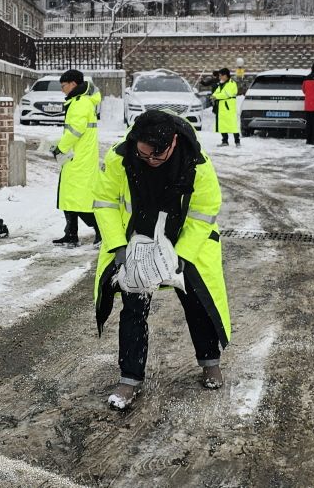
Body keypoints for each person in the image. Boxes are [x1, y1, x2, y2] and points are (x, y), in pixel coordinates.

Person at [92, 110, 230, 410]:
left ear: (173, 143)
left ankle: (210, 362)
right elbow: (104, 202)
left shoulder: (197, 164)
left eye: (157, 156)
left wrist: (181, 255)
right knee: (133, 307)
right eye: (143, 156)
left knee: (198, 301)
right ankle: (130, 378)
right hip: (137, 240)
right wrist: (118, 246)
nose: (150, 162)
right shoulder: (121, 157)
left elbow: (204, 211)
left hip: (183, 240)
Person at [52, 69, 101, 247]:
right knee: (68, 197)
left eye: (63, 86)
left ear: (73, 84)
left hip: (79, 158)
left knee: (79, 199)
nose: (62, 89)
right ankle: (71, 234)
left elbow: (76, 131)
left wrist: (60, 148)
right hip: (77, 156)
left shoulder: (80, 103)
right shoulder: (80, 101)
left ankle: (101, 231)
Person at [211, 68, 241, 147]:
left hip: (229, 107)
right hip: (221, 107)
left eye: (220, 76)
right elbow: (217, 92)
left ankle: (237, 141)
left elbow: (226, 94)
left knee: (233, 125)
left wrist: (216, 97)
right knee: (222, 124)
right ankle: (225, 141)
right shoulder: (221, 83)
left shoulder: (232, 83)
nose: (219, 77)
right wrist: (213, 96)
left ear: (225, 75)